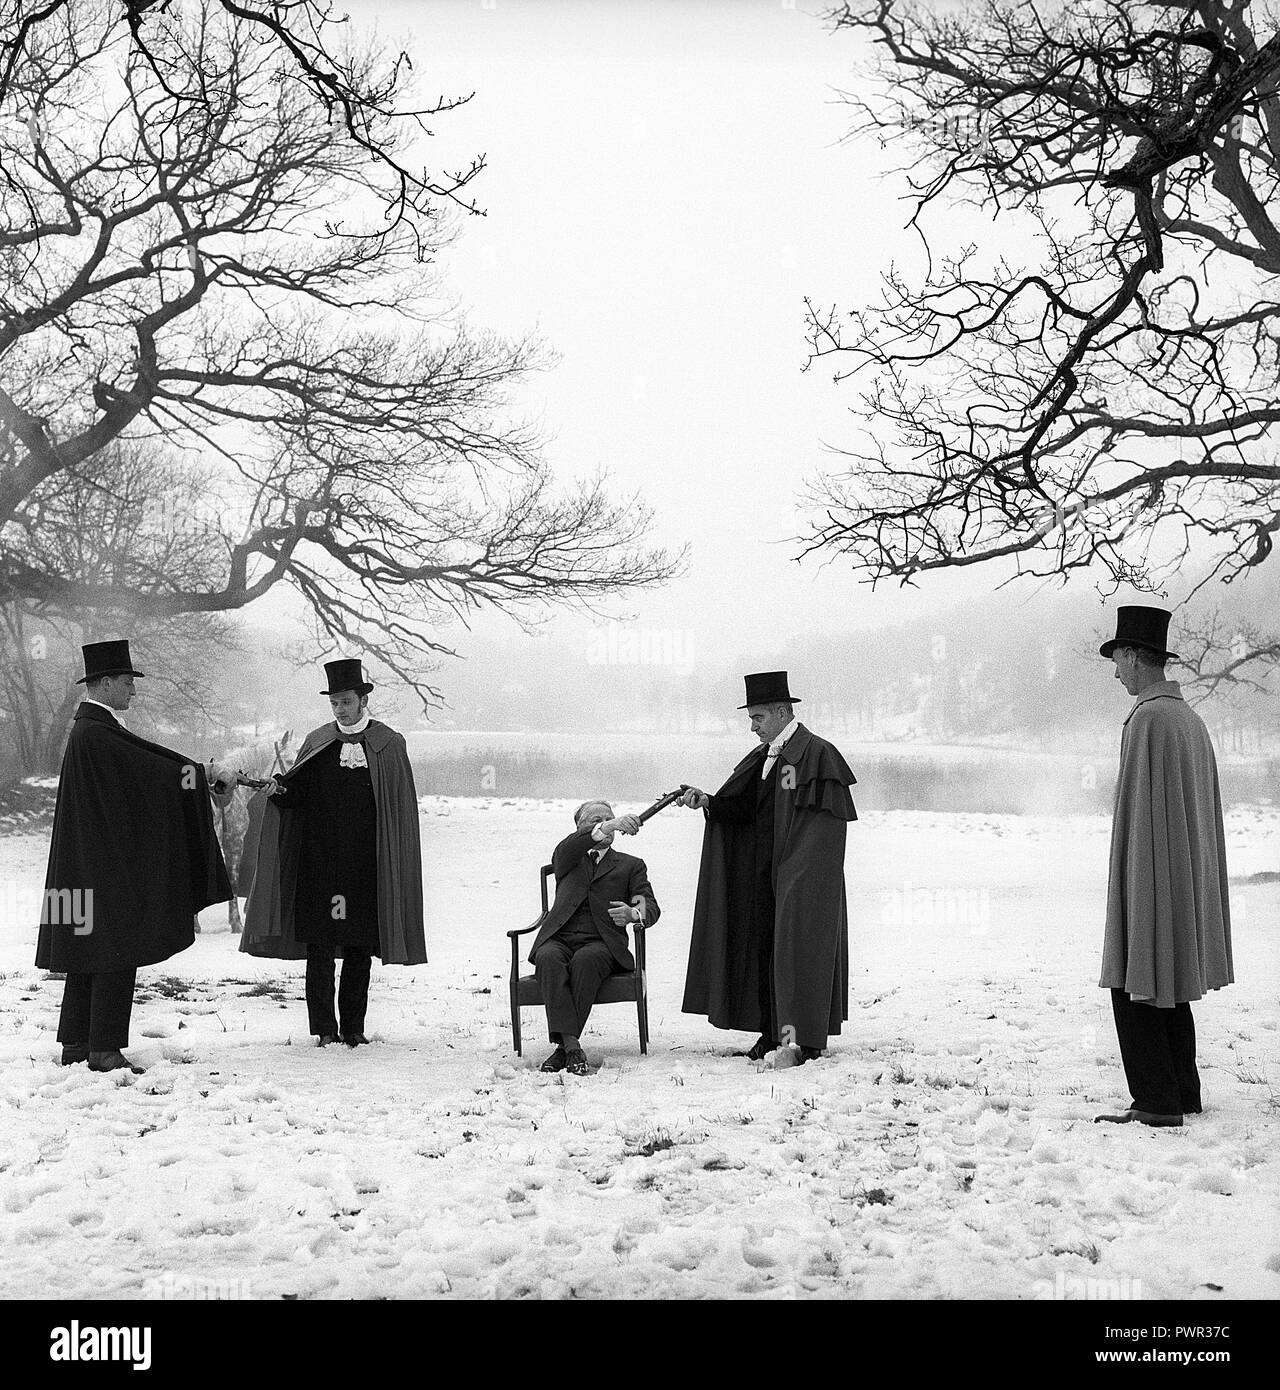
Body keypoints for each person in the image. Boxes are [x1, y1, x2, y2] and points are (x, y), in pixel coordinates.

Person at [34, 640, 233, 1074]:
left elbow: (146, 767)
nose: (133, 691)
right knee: (114, 947)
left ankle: (76, 1042)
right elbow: (153, 772)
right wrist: (202, 773)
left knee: (85, 950)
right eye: (127, 682)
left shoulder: (91, 731)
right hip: (102, 868)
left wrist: (195, 772)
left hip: (84, 864)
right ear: (103, 683)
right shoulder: (97, 734)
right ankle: (103, 1048)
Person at [1094, 607, 1233, 1128]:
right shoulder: (1189, 720)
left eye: (1118, 660)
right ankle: (1182, 1090)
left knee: (1136, 970)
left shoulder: (1148, 719)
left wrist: (1135, 885)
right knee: (1167, 972)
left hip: (1152, 872)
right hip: (1179, 876)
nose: (1116, 673)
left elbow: (1138, 819)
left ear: (1133, 656)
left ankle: (1155, 1099)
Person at [240, 658, 426, 1045]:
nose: (340, 710)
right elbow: (298, 792)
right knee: (319, 948)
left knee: (359, 947)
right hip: (319, 864)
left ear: (362, 700)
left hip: (365, 864)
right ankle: (325, 1029)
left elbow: (398, 807)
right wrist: (280, 790)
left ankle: (354, 1028)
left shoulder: (389, 744)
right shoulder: (318, 742)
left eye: (346, 701)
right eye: (335, 703)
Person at [679, 672, 856, 1064]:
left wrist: (797, 875)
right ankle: (770, 1033)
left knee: (798, 953)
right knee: (762, 953)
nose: (753, 726)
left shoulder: (814, 756)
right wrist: (708, 801)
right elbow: (748, 809)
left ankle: (803, 1039)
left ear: (782, 711)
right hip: (762, 876)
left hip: (799, 880)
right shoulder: (766, 759)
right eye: (750, 719)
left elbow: (821, 830)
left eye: (758, 717)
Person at [528, 801, 659, 1076]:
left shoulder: (630, 866)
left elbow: (649, 905)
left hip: (601, 944)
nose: (606, 824)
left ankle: (564, 1048)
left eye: (610, 819)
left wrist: (633, 912)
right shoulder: (567, 857)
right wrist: (609, 825)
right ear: (579, 828)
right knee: (547, 956)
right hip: (559, 937)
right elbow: (571, 845)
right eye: (596, 820)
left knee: (586, 960)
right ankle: (572, 1046)